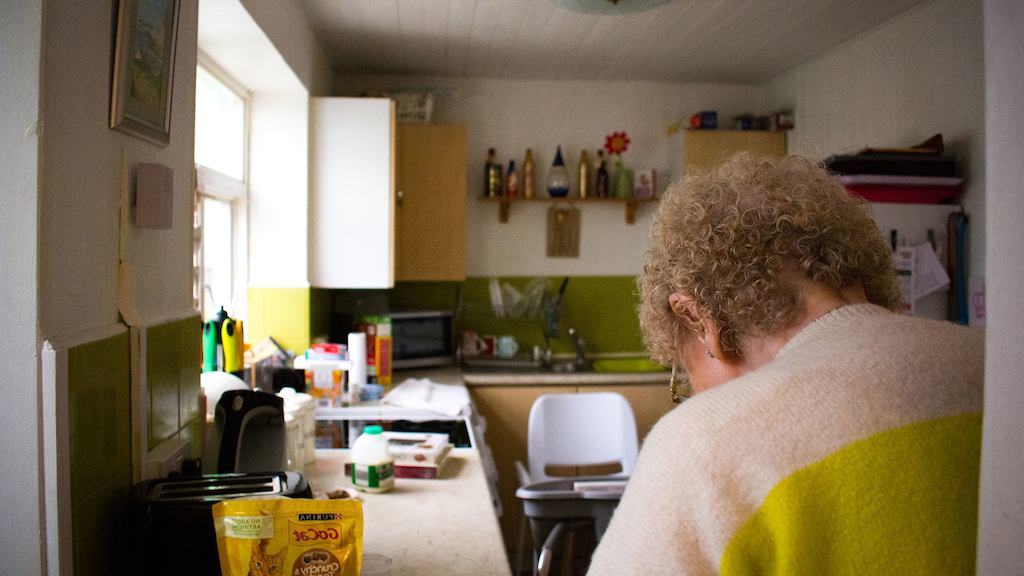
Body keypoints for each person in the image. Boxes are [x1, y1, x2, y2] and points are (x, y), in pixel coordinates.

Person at [587, 154, 983, 575]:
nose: (696, 396)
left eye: (683, 379)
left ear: (697, 319)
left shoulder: (703, 444)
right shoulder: (996, 364)